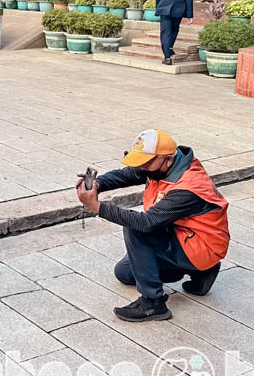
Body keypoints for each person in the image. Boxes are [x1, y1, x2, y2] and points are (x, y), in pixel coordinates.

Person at [75, 129, 230, 323]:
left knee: (135, 226)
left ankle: (153, 304)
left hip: (202, 245)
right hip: (182, 235)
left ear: (168, 159)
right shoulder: (160, 166)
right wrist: (98, 184)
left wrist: (96, 207)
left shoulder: (189, 187)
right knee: (124, 273)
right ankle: (202, 271)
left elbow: (146, 223)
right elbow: (127, 175)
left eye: (147, 162)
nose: (143, 167)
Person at [154, 0, 194, 65]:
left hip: (165, 10)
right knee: (175, 29)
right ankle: (170, 48)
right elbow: (189, 0)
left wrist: (158, 7)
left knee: (165, 32)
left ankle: (167, 57)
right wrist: (190, 16)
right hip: (179, 10)